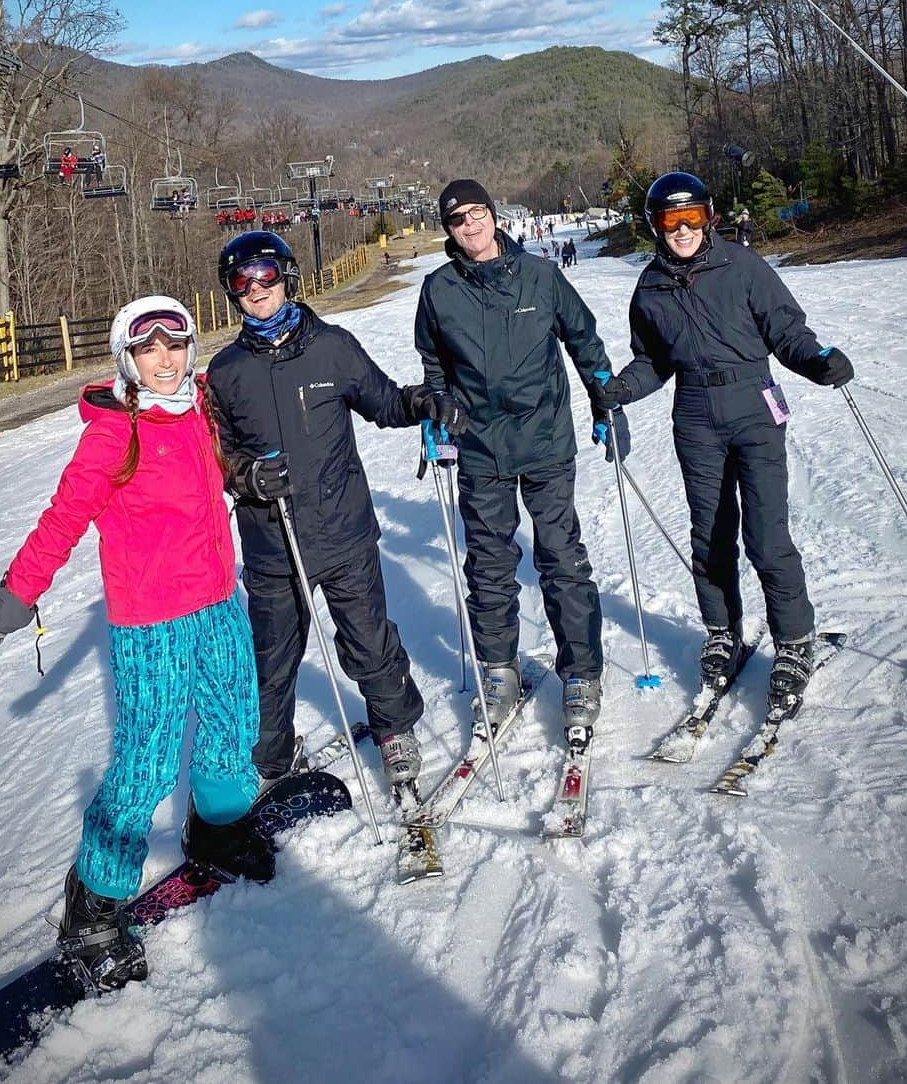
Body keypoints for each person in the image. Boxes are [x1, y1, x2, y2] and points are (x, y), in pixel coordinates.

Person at [0, 297, 271, 992]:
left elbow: (216, 467)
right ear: (127, 358)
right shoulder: (115, 433)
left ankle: (218, 829)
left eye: (174, 344)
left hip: (217, 604)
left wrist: (248, 473)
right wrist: (4, 612)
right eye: (148, 349)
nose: (165, 358)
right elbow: (61, 522)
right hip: (151, 620)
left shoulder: (200, 407)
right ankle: (92, 902)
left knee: (235, 725)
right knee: (146, 763)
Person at [590, 172, 855, 718]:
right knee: (710, 534)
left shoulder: (742, 266)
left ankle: (794, 638)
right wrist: (620, 389)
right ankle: (721, 632)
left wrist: (817, 360)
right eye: (670, 220)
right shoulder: (651, 288)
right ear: (655, 226)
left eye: (692, 217)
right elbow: (653, 361)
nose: (683, 229)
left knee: (765, 533)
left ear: (709, 217)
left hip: (754, 405)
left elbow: (786, 330)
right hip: (694, 415)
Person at [206, 230, 463, 791]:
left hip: (342, 532)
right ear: (231, 293)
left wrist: (421, 401)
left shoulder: (332, 347)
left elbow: (385, 402)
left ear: (287, 277)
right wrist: (245, 476)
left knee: (369, 642)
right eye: (241, 281)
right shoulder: (225, 373)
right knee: (271, 663)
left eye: (266, 276)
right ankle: (269, 760)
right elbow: (214, 456)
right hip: (274, 546)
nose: (256, 290)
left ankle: (395, 729)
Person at [414, 180, 630, 738]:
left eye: (477, 214)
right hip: (481, 447)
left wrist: (605, 400)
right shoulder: (438, 290)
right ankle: (499, 669)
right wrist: (437, 414)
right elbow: (433, 362)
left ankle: (581, 671)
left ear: (493, 215)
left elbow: (584, 340)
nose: (470, 225)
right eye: (458, 220)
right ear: (450, 231)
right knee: (488, 564)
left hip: (545, 440)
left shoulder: (539, 275)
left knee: (559, 555)